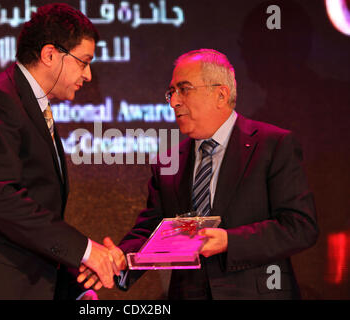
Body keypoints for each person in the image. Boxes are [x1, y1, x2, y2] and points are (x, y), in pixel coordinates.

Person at [78, 49, 319, 299]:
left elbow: (300, 227)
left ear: (221, 94)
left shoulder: (273, 145)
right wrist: (122, 258)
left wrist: (229, 241)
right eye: (171, 93)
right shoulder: (168, 161)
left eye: (184, 89)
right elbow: (154, 229)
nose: (174, 102)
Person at [0, 3, 118, 300]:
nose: (89, 75)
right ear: (50, 54)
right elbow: (2, 199)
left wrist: (72, 285)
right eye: (83, 62)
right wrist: (86, 251)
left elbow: (33, 215)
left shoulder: (23, 103)